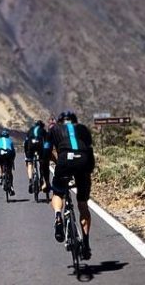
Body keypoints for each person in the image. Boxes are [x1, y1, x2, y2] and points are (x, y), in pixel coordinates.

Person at [48, 110, 95, 260]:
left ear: (60, 121)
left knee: (57, 193)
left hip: (64, 160)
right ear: (75, 121)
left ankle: (58, 216)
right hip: (83, 161)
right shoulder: (82, 129)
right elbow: (90, 151)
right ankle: (86, 244)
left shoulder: (54, 129)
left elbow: (47, 150)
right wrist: (88, 171)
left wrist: (56, 162)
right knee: (82, 204)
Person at [23, 119, 51, 194]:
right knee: (42, 162)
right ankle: (42, 178)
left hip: (30, 146)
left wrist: (26, 153)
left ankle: (30, 181)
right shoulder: (43, 130)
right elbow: (47, 142)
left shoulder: (30, 130)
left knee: (30, 163)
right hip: (40, 146)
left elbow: (26, 142)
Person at [0, 128, 16, 196]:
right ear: (7, 136)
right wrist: (12, 161)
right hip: (8, 153)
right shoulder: (10, 141)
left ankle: (1, 177)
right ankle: (11, 186)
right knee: (9, 171)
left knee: (0, 164)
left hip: (0, 153)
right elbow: (13, 152)